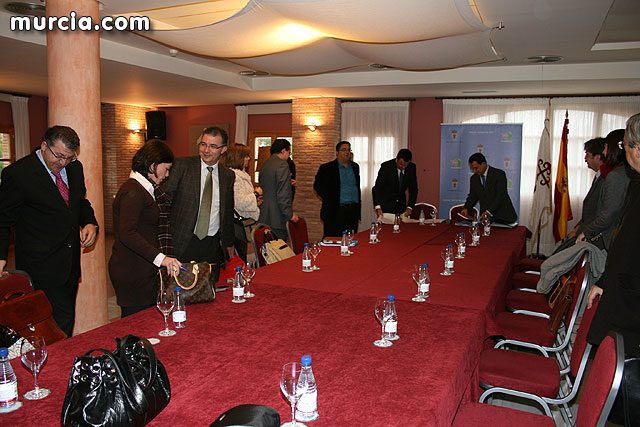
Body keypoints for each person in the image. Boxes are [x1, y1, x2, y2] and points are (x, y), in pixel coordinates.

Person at [0, 125, 98, 336]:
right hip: (40, 266)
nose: (63, 163)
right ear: (44, 146)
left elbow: (79, 202)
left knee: (64, 323)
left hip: (69, 265)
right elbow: (2, 219)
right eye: (59, 156)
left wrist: (90, 222)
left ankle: (62, 355)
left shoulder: (75, 168)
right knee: (44, 328)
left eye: (69, 157)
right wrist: (0, 258)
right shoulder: (18, 174)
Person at [587, 113, 640, 426]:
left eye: (626, 146)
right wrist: (605, 280)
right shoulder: (635, 184)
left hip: (632, 305)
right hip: (620, 290)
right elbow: (623, 243)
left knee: (628, 388)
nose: (625, 152)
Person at [109, 140, 183, 318]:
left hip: (141, 269)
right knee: (137, 324)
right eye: (166, 169)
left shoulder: (142, 189)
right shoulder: (133, 191)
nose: (167, 175)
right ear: (152, 165)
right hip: (132, 271)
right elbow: (127, 233)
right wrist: (162, 259)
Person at [163, 127, 235, 279]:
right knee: (181, 285)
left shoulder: (227, 175)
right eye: (203, 144)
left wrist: (228, 243)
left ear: (223, 149)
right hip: (183, 241)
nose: (206, 150)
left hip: (212, 244)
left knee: (209, 286)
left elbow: (227, 212)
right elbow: (164, 202)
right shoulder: (182, 166)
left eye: (213, 146)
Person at [575, 129, 629, 250]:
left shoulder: (615, 176)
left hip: (608, 241)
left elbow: (607, 214)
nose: (604, 152)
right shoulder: (621, 172)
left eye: (605, 147)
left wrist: (586, 232)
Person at [554, 138, 606, 252]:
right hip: (583, 230)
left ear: (598, 157)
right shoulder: (599, 177)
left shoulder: (606, 180)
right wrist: (577, 227)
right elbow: (589, 212)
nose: (585, 158)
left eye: (587, 154)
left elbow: (599, 214)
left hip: (590, 237)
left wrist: (581, 231)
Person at [313, 141, 361, 237]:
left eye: (349, 150)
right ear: (337, 152)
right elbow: (318, 186)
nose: (347, 152)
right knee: (333, 240)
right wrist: (330, 199)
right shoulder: (327, 168)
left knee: (350, 240)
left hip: (352, 211)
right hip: (335, 211)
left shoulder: (355, 166)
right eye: (344, 150)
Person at [222, 143, 260, 262]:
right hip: (238, 226)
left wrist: (255, 202)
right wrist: (256, 194)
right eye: (246, 156)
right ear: (238, 157)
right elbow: (239, 203)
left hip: (240, 224)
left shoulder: (240, 175)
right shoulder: (235, 178)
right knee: (241, 258)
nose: (248, 158)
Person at [258, 138, 298, 240]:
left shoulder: (266, 163)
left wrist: (287, 182)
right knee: (279, 248)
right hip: (276, 216)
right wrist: (289, 214)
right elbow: (283, 194)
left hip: (264, 215)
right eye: (289, 152)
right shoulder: (282, 164)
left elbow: (268, 185)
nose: (288, 156)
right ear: (283, 150)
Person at [461, 152, 517, 224]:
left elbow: (500, 196)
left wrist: (488, 212)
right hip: (486, 219)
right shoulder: (474, 178)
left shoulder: (499, 174)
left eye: (476, 168)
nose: (474, 171)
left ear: (484, 164)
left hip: (503, 217)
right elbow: (472, 196)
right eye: (472, 169)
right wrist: (466, 208)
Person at [372, 148, 418, 217]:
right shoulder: (386, 167)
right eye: (401, 164)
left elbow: (414, 189)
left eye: (405, 165)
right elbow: (377, 188)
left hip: (401, 207)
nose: (403, 167)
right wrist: (378, 207)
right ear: (397, 159)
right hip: (386, 206)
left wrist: (410, 207)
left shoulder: (411, 168)